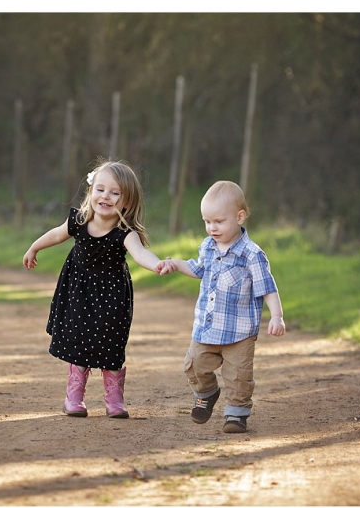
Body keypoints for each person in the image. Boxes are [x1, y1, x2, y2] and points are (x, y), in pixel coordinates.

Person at [23, 159, 170, 419]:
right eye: (100, 189)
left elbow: (140, 254)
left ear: (126, 202)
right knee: (79, 339)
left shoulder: (125, 233)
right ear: (91, 192)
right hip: (78, 291)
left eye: (115, 193)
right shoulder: (79, 222)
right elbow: (56, 235)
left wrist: (157, 264)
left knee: (111, 341)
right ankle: (74, 397)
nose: (106, 196)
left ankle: (114, 399)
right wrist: (34, 247)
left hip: (112, 296)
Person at [159, 180, 285, 433]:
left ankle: (236, 414)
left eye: (218, 221)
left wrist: (277, 316)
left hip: (239, 332)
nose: (211, 228)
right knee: (193, 365)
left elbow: (267, 287)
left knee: (238, 376)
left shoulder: (252, 254)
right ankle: (207, 393)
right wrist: (175, 263)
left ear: (239, 217)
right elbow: (197, 268)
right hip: (207, 327)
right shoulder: (208, 246)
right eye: (207, 222)